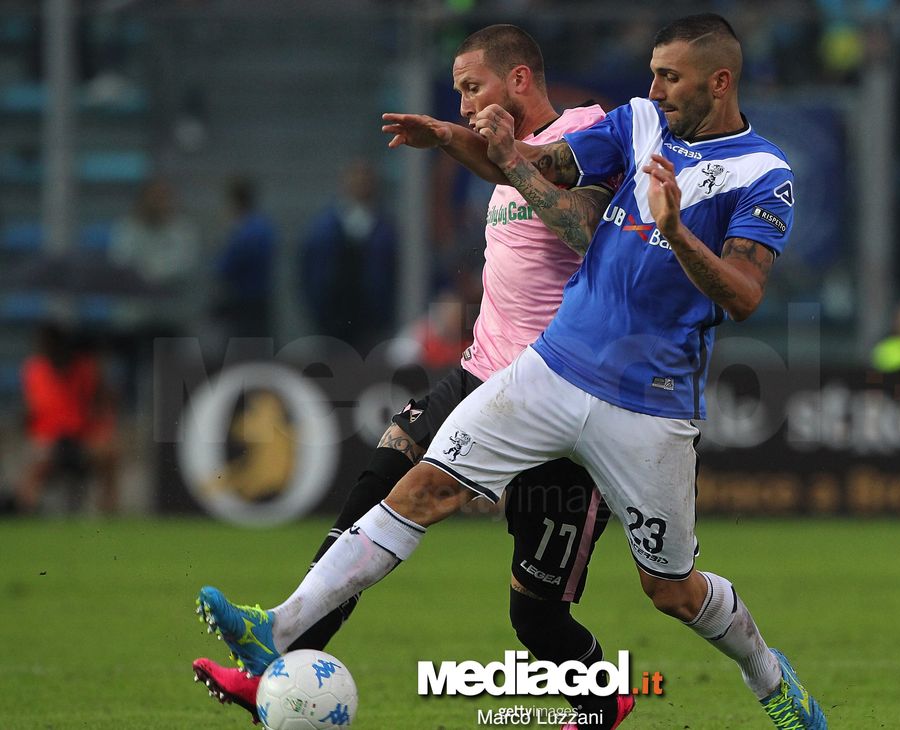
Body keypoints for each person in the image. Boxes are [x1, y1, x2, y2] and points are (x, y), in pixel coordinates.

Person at [197, 14, 827, 729]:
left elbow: (743, 296)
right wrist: (473, 143)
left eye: (670, 76)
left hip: (648, 405)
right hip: (552, 367)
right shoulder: (641, 120)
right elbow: (546, 164)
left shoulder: (764, 174)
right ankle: (273, 629)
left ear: (721, 80)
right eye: (652, 71)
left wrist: (677, 231)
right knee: (422, 485)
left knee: (670, 590)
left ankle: (770, 679)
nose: (653, 87)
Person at [194, 25, 632, 730]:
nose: (463, 104)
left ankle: (602, 701)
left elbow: (586, 231)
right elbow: (506, 167)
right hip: (478, 376)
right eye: (457, 93)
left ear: (519, 80)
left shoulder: (589, 133)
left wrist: (494, 151)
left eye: (471, 87)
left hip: (561, 402)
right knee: (375, 494)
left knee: (537, 617)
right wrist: (450, 139)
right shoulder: (503, 157)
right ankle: (272, 661)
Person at [16, 324, 119, 515]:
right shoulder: (34, 370)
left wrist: (103, 431)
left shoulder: (85, 369)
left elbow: (102, 405)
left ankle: (107, 512)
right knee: (35, 462)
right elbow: (29, 412)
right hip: (47, 439)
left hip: (81, 438)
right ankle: (26, 510)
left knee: (109, 454)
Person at [298, 159, 398, 352]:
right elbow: (308, 270)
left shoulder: (386, 229)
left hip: (371, 318)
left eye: (365, 179)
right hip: (331, 318)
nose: (360, 183)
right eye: (355, 178)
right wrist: (318, 309)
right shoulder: (323, 227)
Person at [211, 175, 276, 340]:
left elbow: (224, 268)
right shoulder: (263, 226)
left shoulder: (244, 232)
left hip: (244, 301)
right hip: (260, 298)